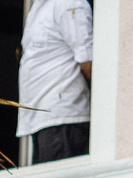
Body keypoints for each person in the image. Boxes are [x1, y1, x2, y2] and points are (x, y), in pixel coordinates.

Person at [19, 0, 94, 164]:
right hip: (41, 119)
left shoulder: (69, 3)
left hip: (64, 117)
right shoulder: (39, 7)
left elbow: (88, 60)